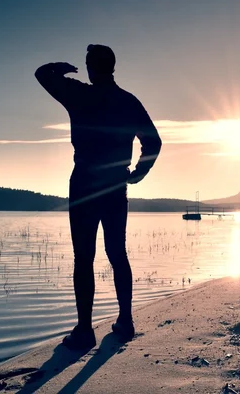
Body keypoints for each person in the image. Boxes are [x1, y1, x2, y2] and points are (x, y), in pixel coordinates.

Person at [35, 45, 162, 348]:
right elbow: (153, 142)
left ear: (91, 67)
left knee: (84, 257)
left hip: (84, 185)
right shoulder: (128, 101)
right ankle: (125, 321)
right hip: (115, 186)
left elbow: (42, 74)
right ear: (113, 67)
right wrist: (138, 173)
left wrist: (59, 67)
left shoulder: (80, 94)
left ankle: (85, 330)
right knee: (118, 254)